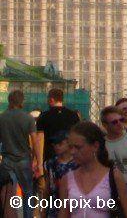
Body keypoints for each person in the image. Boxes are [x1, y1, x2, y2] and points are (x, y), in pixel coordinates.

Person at [57, 121, 127, 218]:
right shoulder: (67, 179)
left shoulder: (113, 176)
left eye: (78, 147)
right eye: (70, 147)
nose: (73, 152)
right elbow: (63, 214)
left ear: (95, 146)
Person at [0, 90, 39, 218]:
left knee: (9, 193)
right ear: (22, 101)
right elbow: (35, 141)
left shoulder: (2, 117)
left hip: (7, 160)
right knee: (27, 193)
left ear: (9, 101)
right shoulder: (28, 118)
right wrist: (37, 160)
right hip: (24, 160)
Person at [36, 87, 81, 199]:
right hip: (71, 158)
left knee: (51, 190)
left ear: (51, 99)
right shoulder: (73, 115)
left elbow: (40, 138)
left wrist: (39, 162)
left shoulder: (44, 116)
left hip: (50, 156)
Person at [43, 130, 77, 218]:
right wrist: (43, 211)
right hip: (54, 207)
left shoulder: (78, 163)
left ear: (68, 143)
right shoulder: (50, 163)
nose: (56, 146)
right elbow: (47, 188)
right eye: (54, 144)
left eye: (60, 143)